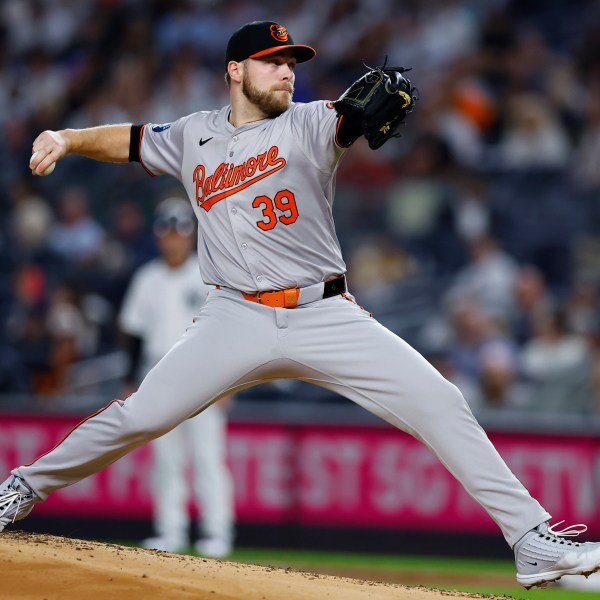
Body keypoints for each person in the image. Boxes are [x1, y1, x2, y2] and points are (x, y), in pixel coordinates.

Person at [2, 20, 600, 589]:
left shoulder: (311, 124)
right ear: (235, 70)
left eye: (292, 63)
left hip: (324, 313)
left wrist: (359, 112)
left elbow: (346, 118)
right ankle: (21, 489)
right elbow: (131, 140)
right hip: (233, 316)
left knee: (440, 400)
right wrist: (68, 137)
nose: (288, 72)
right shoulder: (191, 134)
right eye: (274, 63)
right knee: (140, 416)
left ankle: (530, 540)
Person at [118, 197, 234, 557]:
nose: (173, 239)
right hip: (157, 374)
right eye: (167, 232)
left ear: (190, 236)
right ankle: (171, 531)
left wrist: (228, 381)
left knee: (207, 458)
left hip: (203, 376)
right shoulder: (147, 278)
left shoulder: (208, 275)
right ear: (158, 237)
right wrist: (129, 380)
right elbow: (133, 335)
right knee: (166, 461)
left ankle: (216, 533)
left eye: (180, 232)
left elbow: (226, 332)